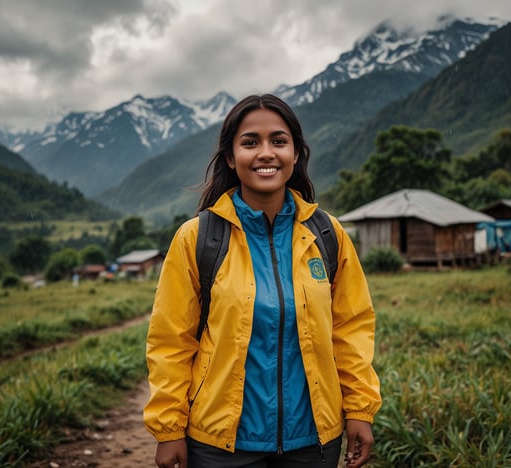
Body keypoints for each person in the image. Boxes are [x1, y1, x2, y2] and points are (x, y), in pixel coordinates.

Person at [144, 94, 381, 468]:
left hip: (314, 443)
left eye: (279, 141)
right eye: (250, 142)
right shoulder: (197, 238)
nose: (266, 153)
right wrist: (169, 429)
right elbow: (171, 340)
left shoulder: (327, 234)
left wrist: (359, 410)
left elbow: (351, 329)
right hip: (220, 445)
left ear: (297, 154)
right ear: (229, 156)